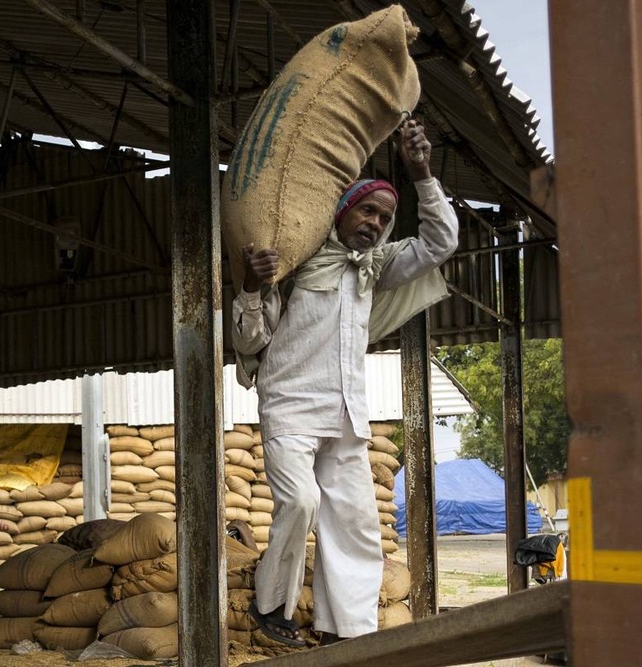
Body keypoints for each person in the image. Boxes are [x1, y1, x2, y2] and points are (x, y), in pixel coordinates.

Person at [231, 120, 458, 647]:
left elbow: (440, 240)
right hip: (290, 408)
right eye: (367, 211)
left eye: (384, 217)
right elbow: (248, 341)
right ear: (341, 212)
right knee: (302, 503)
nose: (375, 223)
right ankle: (272, 609)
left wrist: (421, 171)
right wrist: (249, 283)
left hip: (348, 417)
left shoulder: (375, 267)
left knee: (354, 528)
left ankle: (345, 634)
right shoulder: (298, 258)